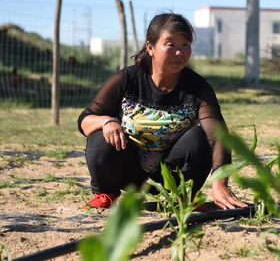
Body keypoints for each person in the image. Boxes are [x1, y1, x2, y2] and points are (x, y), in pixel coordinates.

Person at [78, 12, 246, 210]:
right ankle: (105, 193)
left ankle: (185, 197)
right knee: (101, 135)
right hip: (128, 171)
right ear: (150, 47)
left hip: (171, 176)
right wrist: (106, 121)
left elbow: (218, 136)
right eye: (171, 44)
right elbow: (85, 119)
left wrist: (220, 183)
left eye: (185, 44)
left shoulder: (198, 87)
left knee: (200, 136)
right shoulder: (127, 79)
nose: (179, 52)